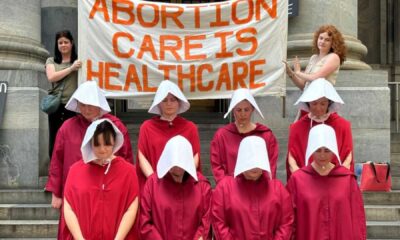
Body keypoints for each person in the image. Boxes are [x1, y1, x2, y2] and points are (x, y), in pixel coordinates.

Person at [45, 81, 134, 238]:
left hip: (109, 192)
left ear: (99, 103)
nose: (86, 109)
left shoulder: (115, 126)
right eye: (83, 104)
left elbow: (126, 158)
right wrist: (56, 193)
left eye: (91, 104)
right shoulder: (67, 127)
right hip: (76, 193)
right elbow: (57, 160)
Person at [62, 119, 139, 240]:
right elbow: (68, 207)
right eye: (97, 144)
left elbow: (131, 208)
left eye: (107, 143)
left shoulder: (128, 171)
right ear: (89, 143)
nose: (102, 149)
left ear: (115, 141)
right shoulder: (75, 171)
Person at [286, 124, 366, 240]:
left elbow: (357, 218)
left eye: (327, 150)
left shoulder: (347, 179)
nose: (322, 155)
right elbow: (288, 219)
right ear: (311, 150)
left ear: (333, 150)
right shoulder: (298, 180)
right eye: (318, 150)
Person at [212, 136, 294, 240]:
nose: (254, 167)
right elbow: (219, 223)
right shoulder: (224, 188)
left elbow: (286, 223)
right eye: (250, 161)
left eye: (259, 161)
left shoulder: (278, 190)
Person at [140, 135, 212, 240]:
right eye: (173, 167)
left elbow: (206, 222)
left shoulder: (202, 186)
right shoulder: (152, 184)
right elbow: (145, 222)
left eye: (182, 167)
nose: (177, 171)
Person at [137, 80, 201, 190]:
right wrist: (154, 182)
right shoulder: (147, 127)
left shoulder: (190, 128)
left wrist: (182, 178)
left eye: (173, 100)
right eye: (164, 100)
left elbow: (195, 156)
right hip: (155, 187)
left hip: (183, 185)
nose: (169, 103)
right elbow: (142, 156)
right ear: (159, 103)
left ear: (179, 102)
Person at [286, 78, 353, 179]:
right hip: (306, 182)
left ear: (329, 103)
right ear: (308, 103)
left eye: (323, 104)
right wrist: (300, 179)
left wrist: (340, 179)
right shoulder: (297, 127)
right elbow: (292, 159)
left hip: (335, 180)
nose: (318, 108)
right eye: (314, 103)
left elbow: (348, 157)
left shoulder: (343, 126)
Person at [210, 88, 278, 183]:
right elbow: (217, 166)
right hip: (232, 190)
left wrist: (265, 186)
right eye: (239, 110)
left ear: (252, 109)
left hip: (259, 189)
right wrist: (227, 188)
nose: (243, 114)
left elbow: (271, 166)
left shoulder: (266, 135)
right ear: (233, 110)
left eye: (246, 110)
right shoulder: (222, 135)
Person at [45, 30, 82, 158]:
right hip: (56, 107)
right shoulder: (51, 60)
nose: (63, 45)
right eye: (60, 42)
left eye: (66, 42)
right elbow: (51, 77)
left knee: (72, 141)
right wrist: (71, 69)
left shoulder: (78, 60)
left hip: (73, 107)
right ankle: (54, 171)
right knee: (55, 141)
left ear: (71, 43)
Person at [284, 24, 346, 90]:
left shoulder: (334, 57)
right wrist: (290, 72)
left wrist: (298, 73)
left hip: (321, 98)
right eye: (321, 38)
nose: (322, 42)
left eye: (327, 40)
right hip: (308, 97)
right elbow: (302, 85)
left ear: (333, 43)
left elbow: (316, 78)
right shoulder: (313, 58)